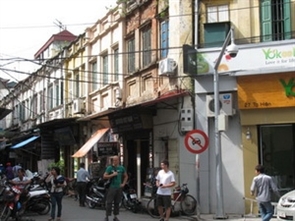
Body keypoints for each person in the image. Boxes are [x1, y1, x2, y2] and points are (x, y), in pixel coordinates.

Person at [103, 155, 128, 221]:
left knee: (117, 202)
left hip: (119, 187)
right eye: (113, 160)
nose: (115, 161)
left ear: (118, 160)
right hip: (111, 187)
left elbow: (126, 176)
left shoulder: (121, 168)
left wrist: (123, 184)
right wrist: (112, 175)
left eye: (116, 160)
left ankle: (115, 216)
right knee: (109, 202)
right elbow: (104, 176)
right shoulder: (110, 168)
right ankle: (107, 216)